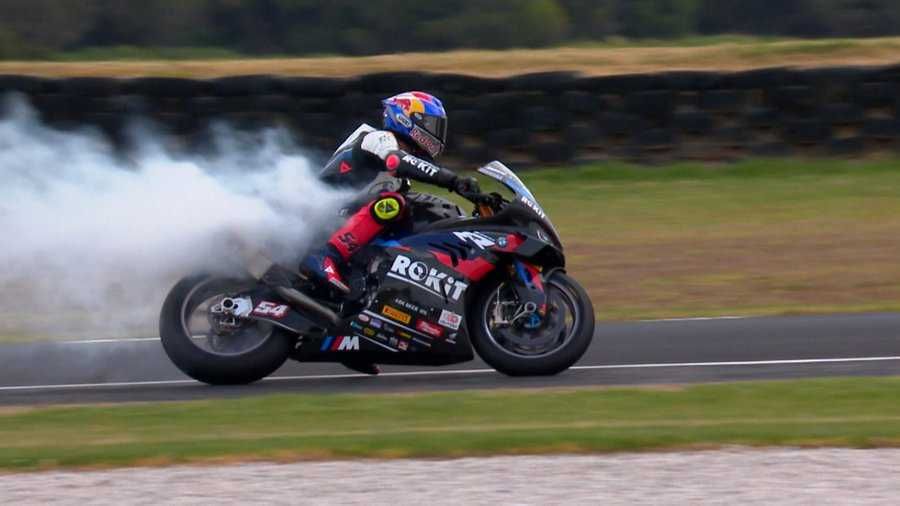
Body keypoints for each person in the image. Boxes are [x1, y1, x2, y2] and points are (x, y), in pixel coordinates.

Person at [295, 91, 477, 295]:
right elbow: (396, 161)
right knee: (393, 203)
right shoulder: (378, 138)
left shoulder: (400, 176)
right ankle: (324, 256)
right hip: (323, 213)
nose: (437, 133)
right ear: (405, 118)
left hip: (345, 217)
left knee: (413, 210)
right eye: (431, 124)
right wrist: (453, 181)